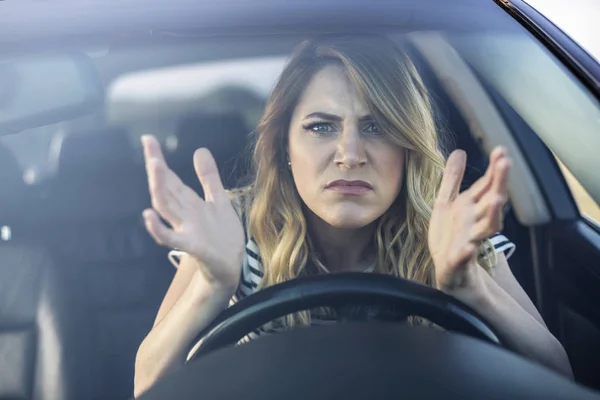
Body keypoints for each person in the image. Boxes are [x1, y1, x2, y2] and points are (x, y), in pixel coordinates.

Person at [133, 35, 572, 397]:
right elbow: (146, 386)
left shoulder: (450, 227)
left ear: (407, 146)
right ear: (284, 147)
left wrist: (470, 286)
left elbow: (558, 376)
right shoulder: (234, 223)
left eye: (376, 126)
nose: (349, 155)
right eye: (321, 127)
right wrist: (212, 285)